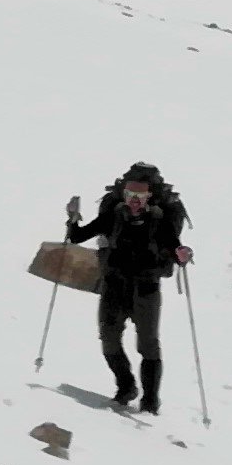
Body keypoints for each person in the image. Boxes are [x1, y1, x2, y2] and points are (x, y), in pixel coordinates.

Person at [64, 162, 188, 414]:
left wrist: (181, 254)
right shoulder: (114, 215)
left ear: (149, 196)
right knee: (109, 340)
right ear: (124, 195)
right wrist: (72, 219)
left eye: (139, 196)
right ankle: (126, 387)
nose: (134, 200)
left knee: (148, 345)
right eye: (130, 195)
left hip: (146, 287)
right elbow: (78, 237)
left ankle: (150, 402)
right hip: (114, 285)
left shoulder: (159, 220)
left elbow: (172, 245)